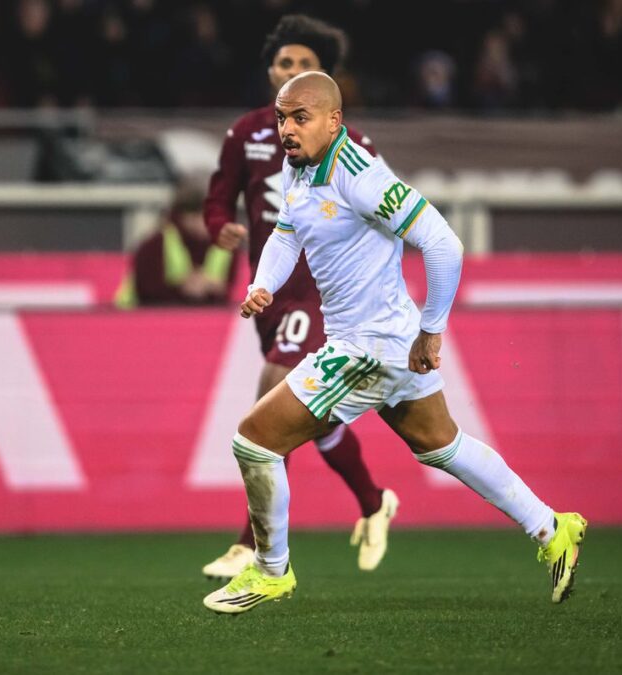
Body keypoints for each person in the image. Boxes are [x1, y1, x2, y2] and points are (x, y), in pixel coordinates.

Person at [203, 71, 587, 614]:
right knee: (442, 445)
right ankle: (552, 527)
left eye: (300, 118)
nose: (287, 129)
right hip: (387, 340)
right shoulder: (298, 167)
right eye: (282, 117)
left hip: (370, 349)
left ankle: (270, 572)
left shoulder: (361, 177)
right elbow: (287, 234)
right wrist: (263, 285)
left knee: (255, 441)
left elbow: (444, 244)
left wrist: (433, 329)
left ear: (334, 120)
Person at [201, 14, 396, 580]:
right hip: (269, 289)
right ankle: (373, 501)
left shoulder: (351, 145)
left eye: (304, 64)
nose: (291, 71)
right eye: (283, 62)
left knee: (271, 396)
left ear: (324, 79)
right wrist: (220, 226)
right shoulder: (245, 134)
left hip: (320, 289)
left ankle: (251, 545)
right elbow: (218, 198)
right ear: (270, 71)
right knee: (315, 415)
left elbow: (387, 213)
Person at [115, 183, 237, 308]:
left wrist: (210, 288)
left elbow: (224, 292)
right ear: (184, 217)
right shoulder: (155, 245)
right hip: (137, 316)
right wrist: (183, 289)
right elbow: (147, 291)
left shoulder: (226, 246)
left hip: (198, 317)